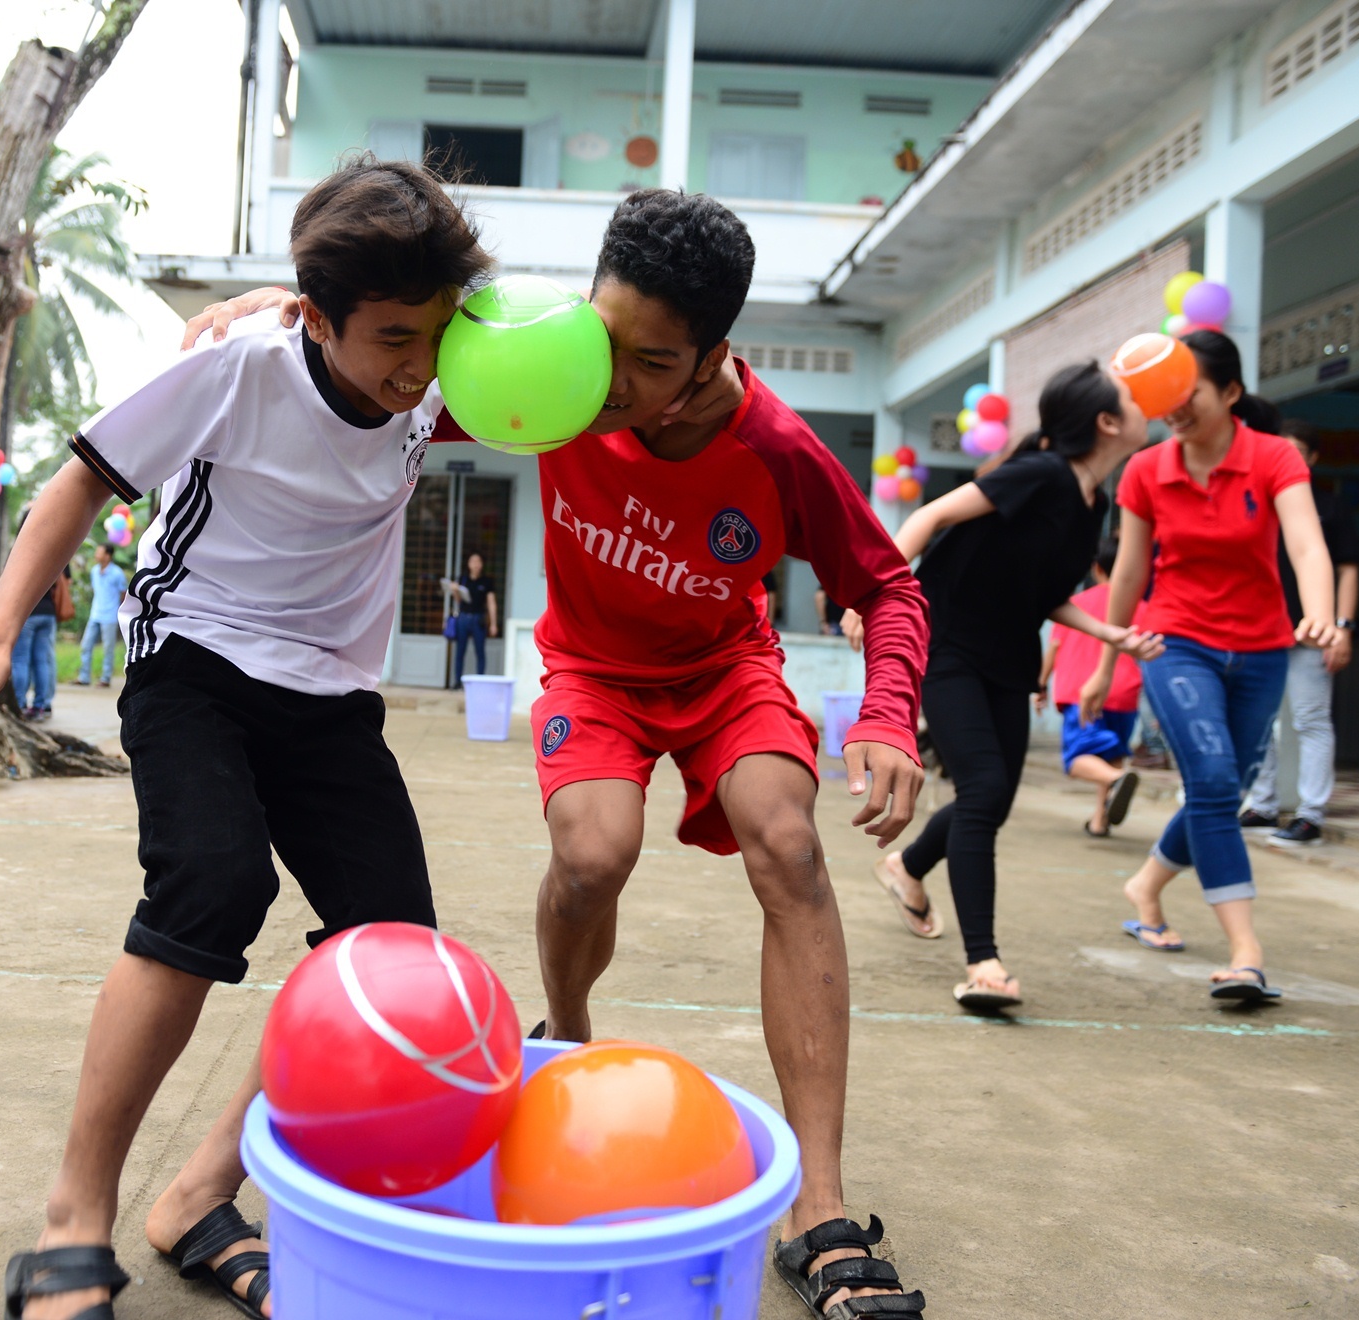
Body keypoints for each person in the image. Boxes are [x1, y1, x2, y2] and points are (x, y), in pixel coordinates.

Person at [194, 191, 933, 1318]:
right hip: (589, 667)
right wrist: (297, 325)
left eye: (653, 361)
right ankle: (569, 1030)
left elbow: (886, 586)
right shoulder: (551, 380)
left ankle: (820, 1209)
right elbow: (378, 381)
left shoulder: (775, 447)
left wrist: (887, 714)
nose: (616, 382)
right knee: (593, 855)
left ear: (712, 356)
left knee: (788, 842)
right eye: (607, 338)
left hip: (725, 668)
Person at [0, 156, 490, 1320]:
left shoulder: (445, 365)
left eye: (437, 335)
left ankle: (202, 1192)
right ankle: (73, 1221)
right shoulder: (243, 366)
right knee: (211, 885)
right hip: (195, 657)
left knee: (392, 949)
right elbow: (78, 482)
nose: (419, 370)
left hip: (329, 691)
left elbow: (583, 360)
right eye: (393, 341)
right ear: (316, 317)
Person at [851, 363, 1159, 1011]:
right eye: (1129, 398)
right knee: (983, 792)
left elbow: (1046, 597)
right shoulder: (1041, 474)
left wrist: (1112, 635)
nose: (1141, 403)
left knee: (988, 800)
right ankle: (982, 963)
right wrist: (871, 593)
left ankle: (905, 868)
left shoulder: (1090, 503)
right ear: (1105, 423)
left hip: (1006, 658)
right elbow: (932, 514)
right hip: (946, 646)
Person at [1082, 329, 1335, 1000]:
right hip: (1176, 642)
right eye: (1163, 394)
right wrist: (1106, 664)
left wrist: (1320, 613)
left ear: (1228, 392)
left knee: (1217, 790)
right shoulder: (1145, 469)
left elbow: (1306, 545)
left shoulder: (1274, 457)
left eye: (1188, 391)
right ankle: (1245, 950)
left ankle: (1145, 884)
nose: (1173, 405)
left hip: (1261, 648)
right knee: (1219, 781)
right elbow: (1129, 574)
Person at [1239, 419, 1359, 846]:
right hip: (1259, 632)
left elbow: (1347, 569)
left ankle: (1311, 815)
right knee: (1259, 722)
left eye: (1296, 452)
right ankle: (1263, 805)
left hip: (1311, 633)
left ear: (1312, 459)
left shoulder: (1328, 508)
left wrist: (1341, 627)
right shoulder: (1255, 502)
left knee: (1311, 720)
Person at [1040, 543, 1146, 838]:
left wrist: (1040, 683)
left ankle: (1117, 778)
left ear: (1096, 568)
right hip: (1125, 693)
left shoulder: (1077, 603)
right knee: (1110, 753)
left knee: (1078, 758)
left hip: (1081, 690)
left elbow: (1055, 645)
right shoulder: (1142, 606)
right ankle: (1100, 822)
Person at [12, 566, 67, 719]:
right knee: (41, 661)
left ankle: (20, 704)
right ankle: (40, 707)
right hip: (48, 613)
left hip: (29, 613)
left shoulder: (25, 556)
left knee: (20, 660)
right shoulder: (53, 553)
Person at [75, 543, 127, 687]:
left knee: (108, 648)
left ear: (108, 556)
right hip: (95, 613)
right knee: (86, 645)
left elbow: (123, 593)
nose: (96, 555)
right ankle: (84, 676)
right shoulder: (94, 571)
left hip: (110, 616)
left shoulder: (117, 573)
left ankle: (105, 678)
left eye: (99, 552)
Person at [446, 549, 497, 682]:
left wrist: (493, 623)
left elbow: (491, 603)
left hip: (478, 618)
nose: (475, 564)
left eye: (478, 561)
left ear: (482, 564)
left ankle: (480, 681)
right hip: (463, 617)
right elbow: (458, 601)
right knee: (460, 651)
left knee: (480, 651)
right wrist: (455, 591)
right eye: (473, 561)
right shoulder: (462, 579)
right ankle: (457, 682)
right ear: (468, 564)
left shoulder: (486, 582)